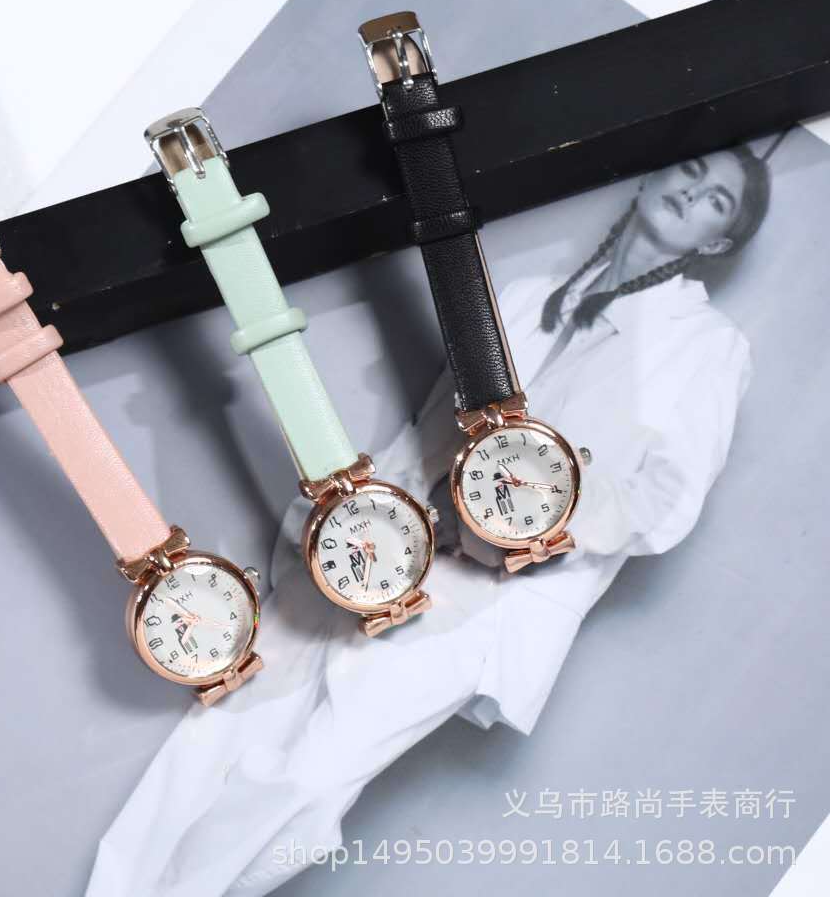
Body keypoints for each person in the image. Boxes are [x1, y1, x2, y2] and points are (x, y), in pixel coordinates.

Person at [85, 140, 775, 897]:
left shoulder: (708, 348)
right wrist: (339, 517)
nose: (692, 191)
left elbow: (667, 503)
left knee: (314, 778)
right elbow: (426, 430)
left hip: (489, 597)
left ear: (718, 242)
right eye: (690, 169)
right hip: (379, 543)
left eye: (718, 199)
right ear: (651, 175)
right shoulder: (521, 297)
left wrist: (526, 518)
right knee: (219, 731)